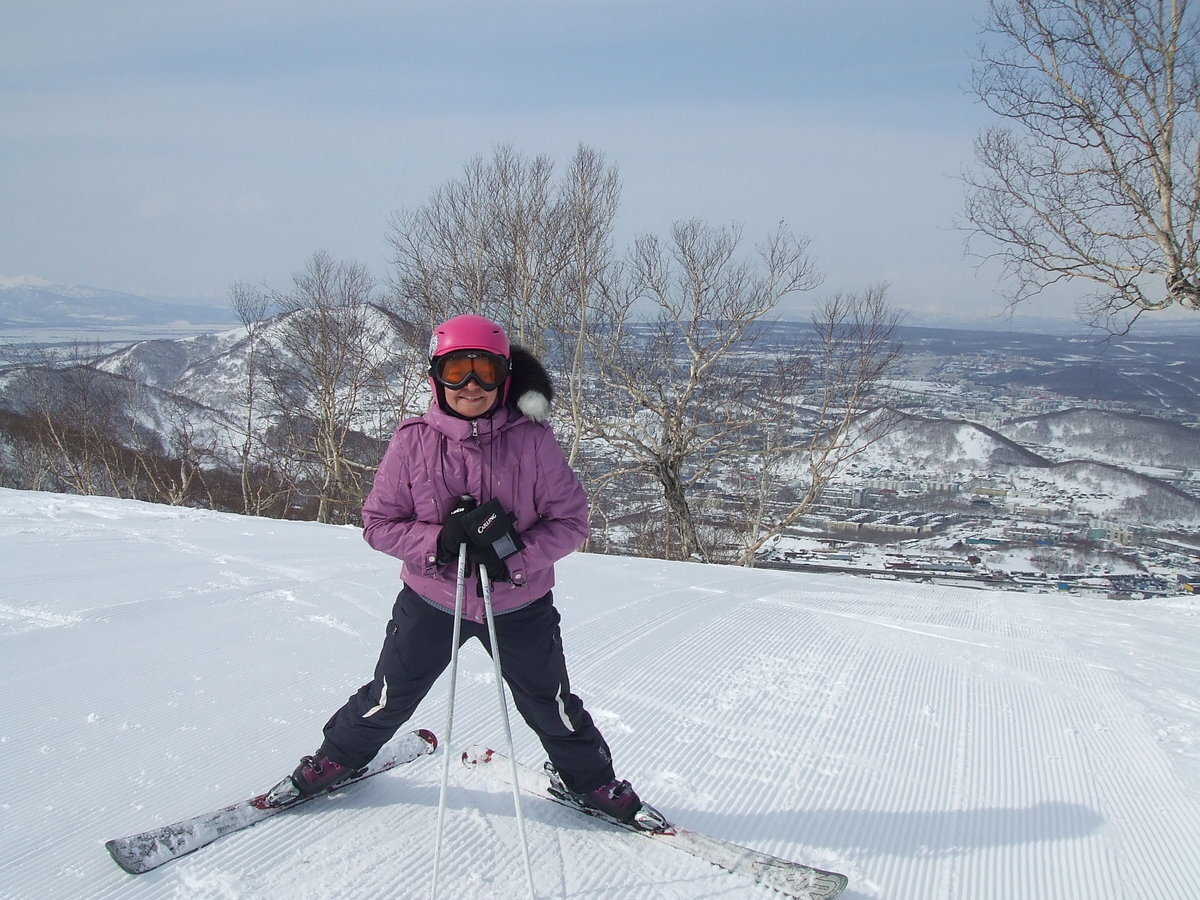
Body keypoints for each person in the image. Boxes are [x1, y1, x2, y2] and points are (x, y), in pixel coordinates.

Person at [286, 313, 642, 822]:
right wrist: (440, 542)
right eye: (457, 371)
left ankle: (592, 782)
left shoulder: (533, 440)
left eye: (484, 371)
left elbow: (571, 521)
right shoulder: (412, 442)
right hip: (432, 600)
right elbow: (378, 523)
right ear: (436, 376)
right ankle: (336, 759)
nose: (471, 385)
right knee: (390, 695)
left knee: (549, 703)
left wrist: (511, 557)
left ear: (505, 377)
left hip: (519, 604)